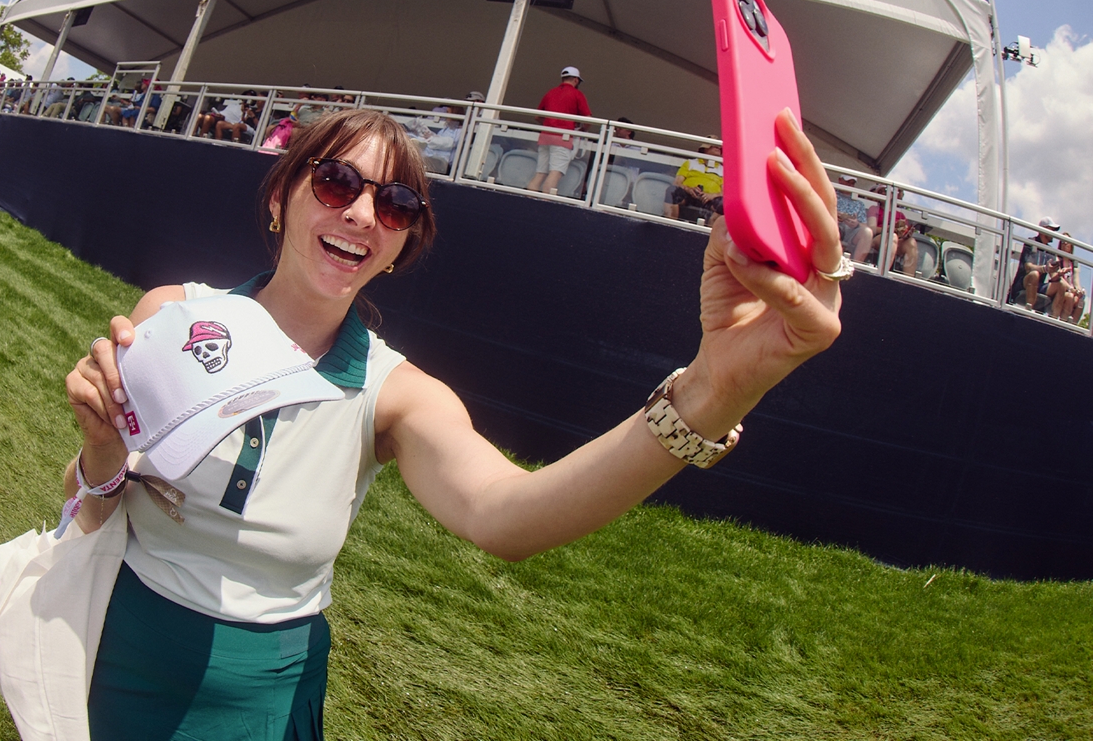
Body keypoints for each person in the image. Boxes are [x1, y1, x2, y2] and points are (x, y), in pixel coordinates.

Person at [66, 106, 844, 741]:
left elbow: (509, 515)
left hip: (265, 705)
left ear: (403, 244)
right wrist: (101, 450)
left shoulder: (396, 393)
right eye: (337, 181)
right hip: (113, 648)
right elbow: (87, 505)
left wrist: (711, 390)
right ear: (280, 196)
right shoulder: (174, 315)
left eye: (397, 203)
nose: (365, 213)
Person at [526, 67, 591, 194]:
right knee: (555, 173)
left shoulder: (550, 92)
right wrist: (582, 129)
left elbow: (537, 117)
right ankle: (544, 205)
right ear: (576, 80)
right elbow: (588, 120)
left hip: (545, 137)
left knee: (540, 173)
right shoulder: (577, 94)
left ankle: (529, 201)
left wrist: (549, 124)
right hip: (563, 138)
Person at [1006, 216, 1060, 310]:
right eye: (1052, 230)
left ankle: (1055, 321)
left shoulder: (1050, 251)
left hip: (1039, 286)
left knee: (1061, 286)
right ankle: (1029, 314)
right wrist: (1044, 268)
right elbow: (1028, 266)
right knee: (1034, 275)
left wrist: (1059, 273)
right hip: (1023, 283)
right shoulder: (1031, 242)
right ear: (1044, 230)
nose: (1053, 234)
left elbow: (1053, 274)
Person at [663, 142, 724, 223]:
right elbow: (677, 182)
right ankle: (670, 225)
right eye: (713, 145)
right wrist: (688, 189)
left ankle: (711, 232)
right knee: (672, 191)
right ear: (704, 148)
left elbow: (725, 192)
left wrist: (712, 196)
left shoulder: (723, 169)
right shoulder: (690, 163)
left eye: (718, 146)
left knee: (723, 202)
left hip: (709, 201)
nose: (718, 147)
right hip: (688, 196)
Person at [867, 186, 919, 276]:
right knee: (892, 237)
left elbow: (902, 233)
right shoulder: (874, 209)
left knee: (911, 242)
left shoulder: (900, 214)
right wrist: (889, 229)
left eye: (886, 191)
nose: (883, 194)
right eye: (880, 192)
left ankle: (908, 281)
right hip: (878, 238)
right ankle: (882, 274)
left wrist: (906, 234)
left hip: (895, 240)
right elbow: (872, 228)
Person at [1045, 234, 1084, 322]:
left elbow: (1076, 281)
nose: (1065, 244)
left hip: (1071, 290)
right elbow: (1058, 278)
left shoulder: (1074, 264)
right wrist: (1070, 289)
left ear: (1071, 245)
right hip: (1059, 288)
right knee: (1070, 296)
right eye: (1063, 242)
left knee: (1080, 301)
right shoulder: (1056, 259)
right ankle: (1061, 323)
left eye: (1067, 242)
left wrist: (1078, 290)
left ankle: (1072, 326)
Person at [834, 175, 873, 263]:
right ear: (840, 180)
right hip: (832, 225)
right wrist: (834, 215)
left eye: (852, 183)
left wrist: (856, 224)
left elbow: (864, 224)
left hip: (850, 231)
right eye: (848, 182)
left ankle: (856, 267)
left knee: (867, 232)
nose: (850, 185)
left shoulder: (859, 203)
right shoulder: (830, 194)